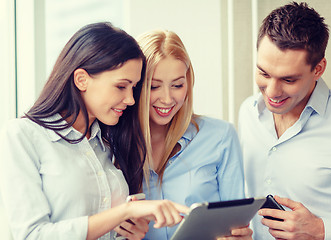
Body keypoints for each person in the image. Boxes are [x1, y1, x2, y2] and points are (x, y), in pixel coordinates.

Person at [0, 22, 188, 240]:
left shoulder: (109, 143)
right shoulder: (22, 136)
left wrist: (129, 234)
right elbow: (32, 235)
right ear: (82, 80)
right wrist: (123, 212)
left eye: (134, 88)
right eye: (121, 86)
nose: (130, 99)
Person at [238, 2, 331, 240]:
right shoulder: (247, 112)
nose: (272, 92)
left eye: (289, 79)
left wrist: (322, 230)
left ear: (318, 69)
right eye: (263, 73)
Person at [133, 29, 251, 240]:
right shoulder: (112, 143)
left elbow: (236, 224)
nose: (167, 99)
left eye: (177, 85)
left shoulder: (221, 136)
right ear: (135, 85)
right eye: (154, 86)